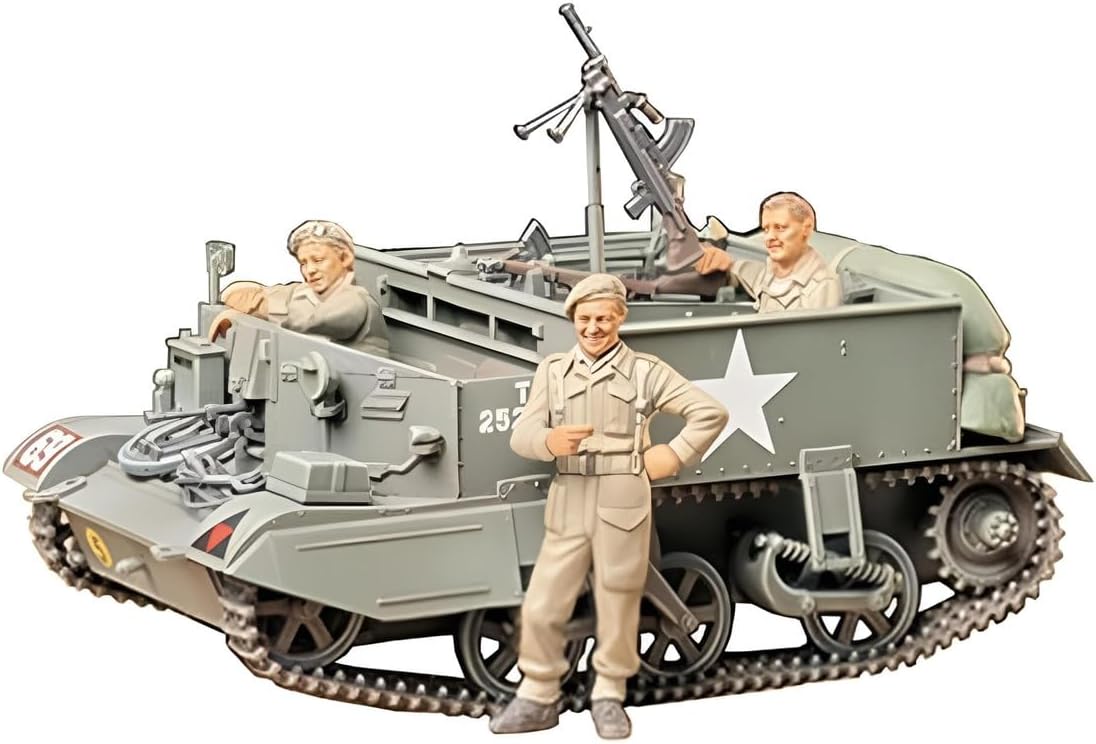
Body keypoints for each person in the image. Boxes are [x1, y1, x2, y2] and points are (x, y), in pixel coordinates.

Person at [491, 274, 728, 740]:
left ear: (619, 318)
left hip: (623, 490)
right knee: (543, 600)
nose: (593, 328)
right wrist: (548, 441)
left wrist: (673, 454)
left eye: (603, 318)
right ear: (573, 320)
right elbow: (521, 434)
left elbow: (710, 412)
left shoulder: (644, 371)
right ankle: (537, 693)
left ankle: (609, 694)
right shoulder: (553, 371)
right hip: (571, 490)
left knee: (619, 597)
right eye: (584, 318)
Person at [209, 219, 390, 356]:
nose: (309, 270)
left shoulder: (356, 301)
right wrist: (253, 296)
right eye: (304, 262)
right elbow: (283, 295)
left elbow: (311, 320)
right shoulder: (313, 291)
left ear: (344, 259)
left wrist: (256, 307)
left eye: (318, 260)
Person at [693, 192, 842, 312]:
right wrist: (720, 261)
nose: (770, 237)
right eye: (766, 229)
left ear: (806, 229)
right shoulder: (768, 274)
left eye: (780, 227)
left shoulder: (822, 286)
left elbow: (820, 336)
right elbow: (741, 271)